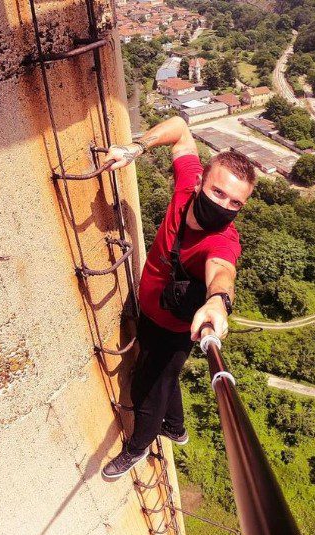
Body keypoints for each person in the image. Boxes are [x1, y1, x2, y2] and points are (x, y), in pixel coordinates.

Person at [102, 116, 256, 479]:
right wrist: (134, 149)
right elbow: (181, 130)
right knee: (166, 377)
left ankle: (138, 447)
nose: (224, 205)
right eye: (219, 192)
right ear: (201, 180)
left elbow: (222, 271)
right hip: (152, 315)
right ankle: (176, 428)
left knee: (147, 388)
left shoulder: (222, 240)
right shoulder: (187, 186)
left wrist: (219, 301)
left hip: (176, 330)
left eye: (235, 202)